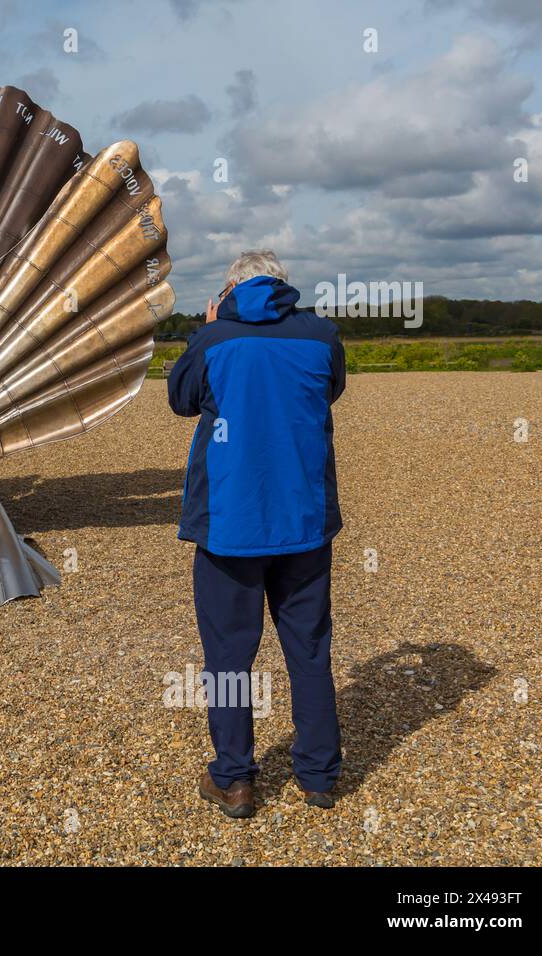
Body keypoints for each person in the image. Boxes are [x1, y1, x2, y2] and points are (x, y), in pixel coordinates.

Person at [167, 250, 345, 819]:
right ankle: (318, 777)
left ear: (230, 290)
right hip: (304, 523)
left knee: (227, 657)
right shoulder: (323, 336)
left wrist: (209, 324)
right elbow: (329, 392)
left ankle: (235, 780)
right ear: (283, 286)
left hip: (230, 527)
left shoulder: (214, 338)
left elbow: (181, 399)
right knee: (310, 650)